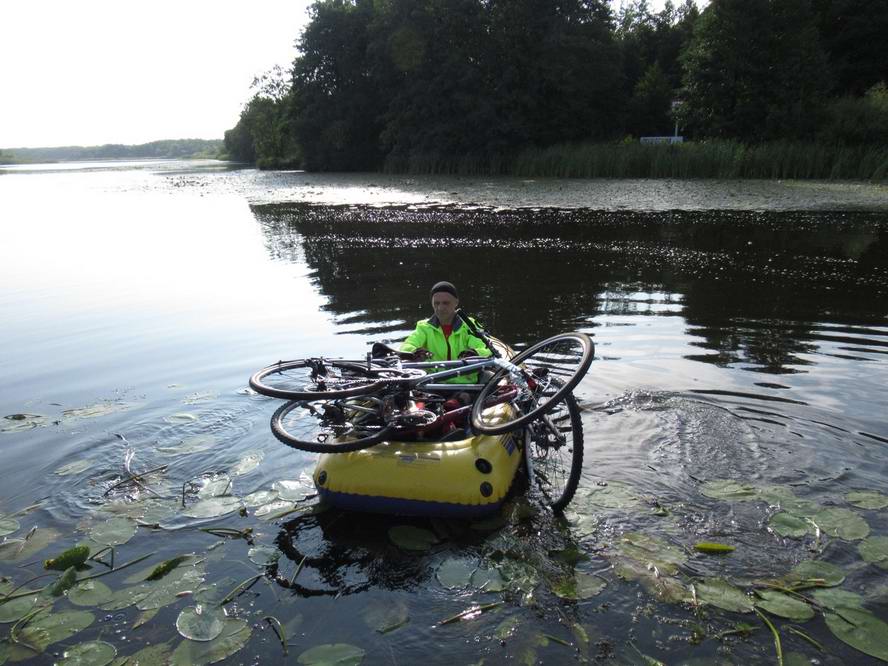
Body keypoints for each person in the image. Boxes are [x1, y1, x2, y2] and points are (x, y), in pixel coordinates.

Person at [400, 281, 492, 385]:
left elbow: (485, 348)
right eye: (436, 303)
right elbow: (406, 346)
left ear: (456, 302)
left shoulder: (469, 325)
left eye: (445, 303)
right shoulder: (423, 327)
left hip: (465, 384)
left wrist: (475, 353)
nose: (440, 308)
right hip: (433, 382)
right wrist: (414, 352)